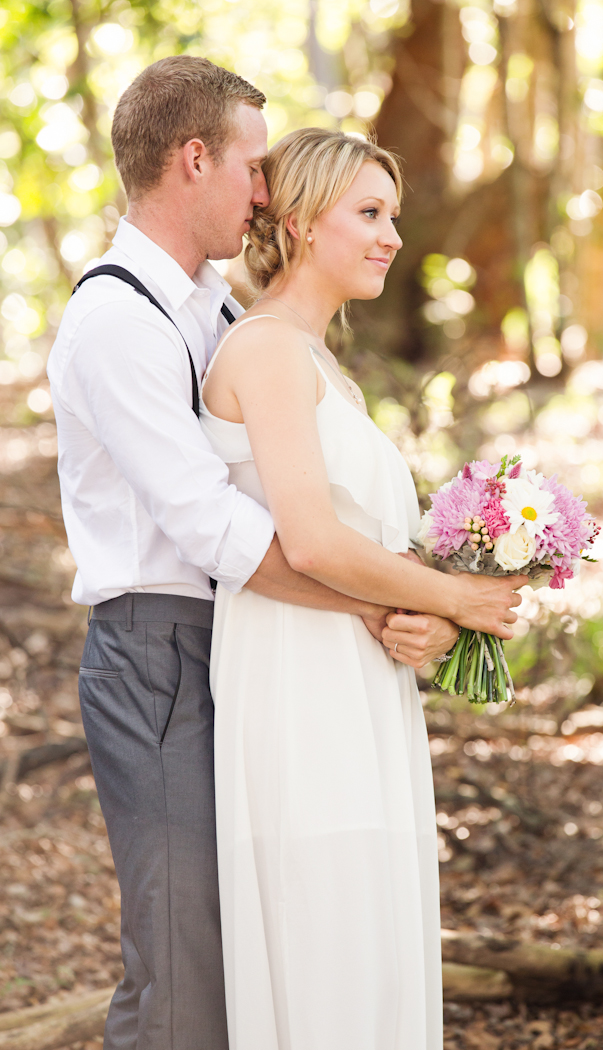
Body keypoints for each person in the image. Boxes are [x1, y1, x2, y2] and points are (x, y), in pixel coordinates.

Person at [47, 56, 517, 1050]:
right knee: (180, 969)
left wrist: (404, 602)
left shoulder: (219, 312)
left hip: (253, 637)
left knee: (259, 947)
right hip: (158, 649)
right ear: (193, 160)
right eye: (255, 165)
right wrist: (400, 603)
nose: (266, 189)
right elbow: (217, 527)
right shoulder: (113, 321)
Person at [201, 127, 526, 1050]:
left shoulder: (323, 365)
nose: (390, 235)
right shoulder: (265, 349)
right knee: (327, 942)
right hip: (299, 690)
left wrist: (418, 613)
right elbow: (308, 540)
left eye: (394, 215)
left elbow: (361, 549)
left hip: (357, 681)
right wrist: (457, 601)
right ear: (301, 222)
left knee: (374, 938)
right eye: (370, 213)